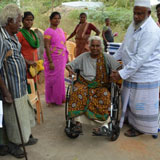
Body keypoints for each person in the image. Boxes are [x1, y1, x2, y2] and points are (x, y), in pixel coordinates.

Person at [110, 0, 160, 137]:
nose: (136, 16)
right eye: (135, 13)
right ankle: (129, 121)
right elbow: (124, 46)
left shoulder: (151, 31)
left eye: (140, 14)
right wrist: (111, 60)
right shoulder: (133, 25)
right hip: (131, 72)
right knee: (128, 99)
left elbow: (140, 58)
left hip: (145, 74)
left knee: (140, 104)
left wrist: (121, 73)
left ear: (148, 13)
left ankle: (140, 128)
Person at [0, 4, 37, 158]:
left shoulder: (13, 35)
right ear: (9, 21)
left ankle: (23, 137)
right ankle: (14, 144)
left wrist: (27, 62)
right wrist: (5, 91)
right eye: (19, 21)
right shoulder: (1, 39)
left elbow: (17, 55)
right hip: (10, 87)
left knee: (23, 115)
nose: (21, 24)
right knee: (12, 119)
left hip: (20, 85)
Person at [66, 36, 121, 133]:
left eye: (97, 46)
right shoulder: (83, 56)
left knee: (105, 95)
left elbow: (119, 67)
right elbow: (69, 65)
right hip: (84, 84)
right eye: (93, 46)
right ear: (89, 46)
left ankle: (103, 125)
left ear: (101, 47)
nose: (95, 48)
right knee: (77, 91)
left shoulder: (106, 57)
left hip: (101, 85)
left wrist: (115, 73)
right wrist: (70, 70)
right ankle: (78, 124)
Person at [44, 12, 68, 106]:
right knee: (51, 79)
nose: (57, 20)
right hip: (53, 59)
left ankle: (59, 98)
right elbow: (46, 46)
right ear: (50, 20)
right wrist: (50, 61)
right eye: (55, 18)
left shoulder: (60, 30)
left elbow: (63, 44)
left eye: (58, 18)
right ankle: (51, 99)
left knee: (60, 79)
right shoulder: (48, 31)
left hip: (61, 59)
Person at [17, 11, 40, 93]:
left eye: (31, 20)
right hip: (25, 65)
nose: (29, 22)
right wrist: (27, 61)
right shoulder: (19, 34)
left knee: (34, 87)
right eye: (27, 20)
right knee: (28, 88)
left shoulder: (33, 34)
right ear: (22, 21)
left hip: (34, 65)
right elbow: (16, 51)